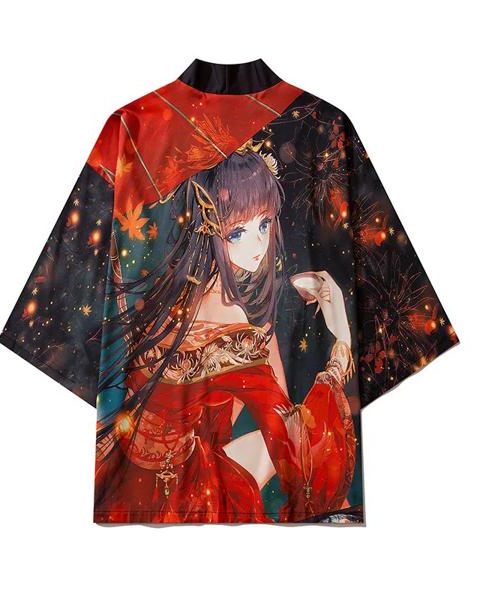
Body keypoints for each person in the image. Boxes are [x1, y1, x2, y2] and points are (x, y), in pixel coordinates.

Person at [93, 138, 356, 523]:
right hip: (177, 490)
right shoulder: (232, 325)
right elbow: (297, 448)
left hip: (125, 463)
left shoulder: (174, 290)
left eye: (264, 224)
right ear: (210, 228)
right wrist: (341, 343)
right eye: (237, 232)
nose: (258, 244)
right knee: (282, 447)